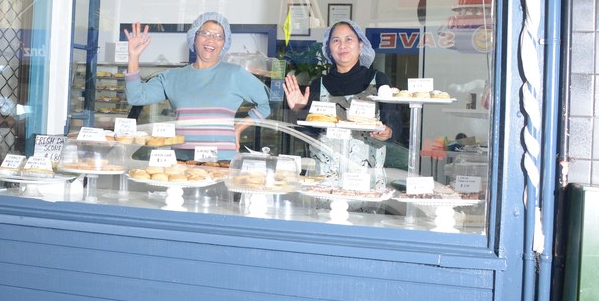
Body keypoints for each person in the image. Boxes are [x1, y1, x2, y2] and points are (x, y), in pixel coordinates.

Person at [123, 12, 271, 159]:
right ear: (194, 36)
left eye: (218, 36)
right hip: (182, 162)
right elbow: (136, 97)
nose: (211, 39)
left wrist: (239, 127)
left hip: (221, 162)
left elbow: (268, 102)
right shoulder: (172, 77)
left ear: (224, 43)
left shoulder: (235, 74)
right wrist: (133, 57)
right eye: (205, 33)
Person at [283, 19, 402, 176]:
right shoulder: (319, 84)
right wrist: (300, 110)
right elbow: (311, 133)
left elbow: (392, 119)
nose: (342, 45)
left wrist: (389, 131)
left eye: (348, 39)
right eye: (336, 40)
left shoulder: (377, 79)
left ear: (361, 45)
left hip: (365, 176)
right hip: (325, 176)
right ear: (329, 48)